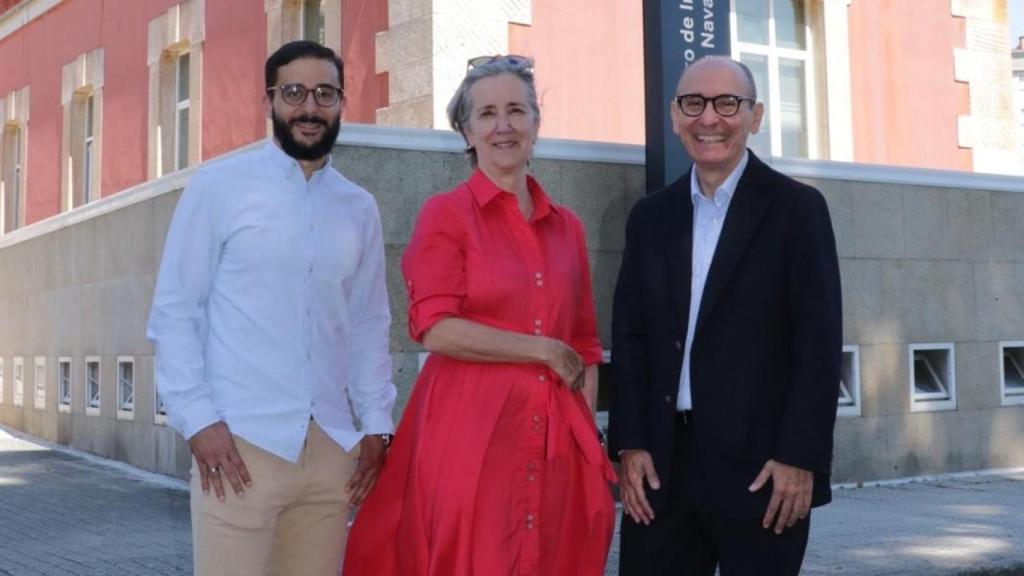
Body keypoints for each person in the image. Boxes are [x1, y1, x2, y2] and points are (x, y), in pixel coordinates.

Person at [343, 55, 615, 576]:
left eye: (516, 110)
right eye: (487, 114)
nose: (503, 125)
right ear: (466, 132)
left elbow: (583, 347)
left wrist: (586, 440)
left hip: (558, 437)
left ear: (537, 123)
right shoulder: (445, 214)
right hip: (469, 438)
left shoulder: (569, 228)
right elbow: (435, 326)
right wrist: (539, 348)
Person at [146, 40, 396, 576]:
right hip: (239, 448)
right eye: (294, 92)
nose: (309, 107)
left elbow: (369, 323)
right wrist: (199, 422)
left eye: (324, 93)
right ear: (268, 102)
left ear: (341, 103)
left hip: (331, 450)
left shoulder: (358, 207)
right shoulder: (219, 187)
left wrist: (377, 424)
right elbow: (175, 312)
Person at [608, 56, 842, 576]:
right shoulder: (651, 218)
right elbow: (631, 337)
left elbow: (818, 344)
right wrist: (630, 443)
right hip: (661, 471)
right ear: (674, 116)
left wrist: (801, 458)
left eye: (726, 103)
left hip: (765, 473)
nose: (709, 118)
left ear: (755, 116)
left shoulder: (797, 211)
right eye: (694, 103)